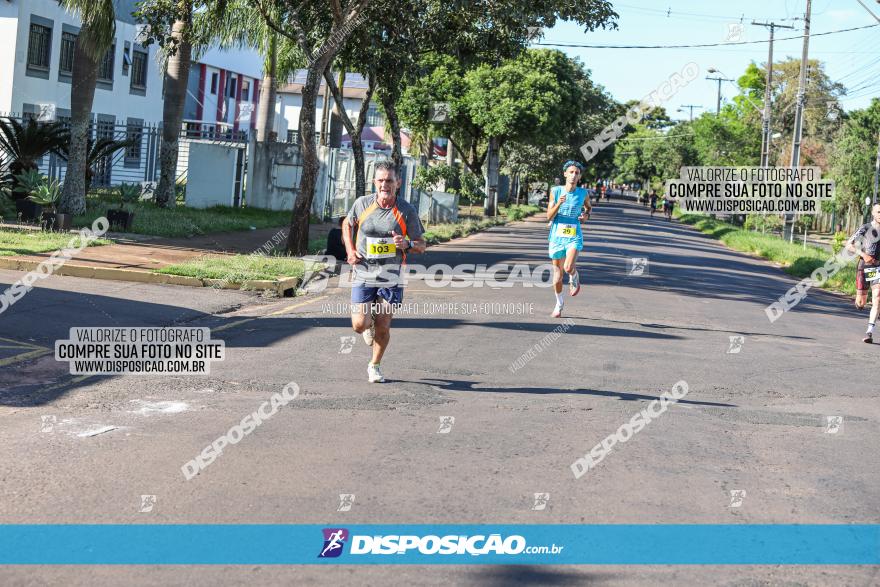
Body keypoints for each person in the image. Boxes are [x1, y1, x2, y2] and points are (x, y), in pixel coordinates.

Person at [341, 160, 426, 382]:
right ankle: (367, 324)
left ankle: (374, 365)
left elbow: (421, 244)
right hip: (363, 271)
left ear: (398, 182)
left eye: (389, 180)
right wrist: (350, 250)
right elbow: (347, 224)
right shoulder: (362, 204)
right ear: (374, 182)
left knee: (384, 323)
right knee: (359, 326)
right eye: (380, 180)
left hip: (391, 275)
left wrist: (406, 244)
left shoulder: (406, 210)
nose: (384, 185)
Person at [547, 160, 590, 318]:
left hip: (573, 235)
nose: (573, 175)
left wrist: (585, 216)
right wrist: (558, 203)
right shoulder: (555, 191)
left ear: (579, 177)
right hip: (557, 236)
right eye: (570, 172)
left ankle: (574, 275)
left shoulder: (583, 193)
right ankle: (559, 303)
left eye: (576, 173)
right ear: (565, 174)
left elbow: (588, 208)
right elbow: (549, 216)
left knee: (568, 267)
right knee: (557, 276)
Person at [847, 203, 880, 343]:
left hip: (877, 268)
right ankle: (860, 302)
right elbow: (849, 245)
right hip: (865, 266)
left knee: (877, 297)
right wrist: (864, 255)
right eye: (879, 212)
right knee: (861, 303)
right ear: (873, 213)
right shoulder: (865, 228)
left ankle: (869, 332)